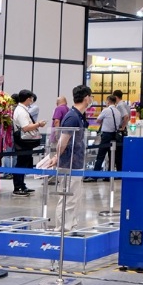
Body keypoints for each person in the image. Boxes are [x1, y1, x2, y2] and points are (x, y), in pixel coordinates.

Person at [53, 85, 91, 231]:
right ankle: (63, 229)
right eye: (90, 97)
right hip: (68, 164)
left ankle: (71, 225)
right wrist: (57, 157)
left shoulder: (78, 116)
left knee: (74, 198)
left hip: (76, 163)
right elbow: (62, 141)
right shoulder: (72, 117)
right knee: (68, 199)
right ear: (86, 98)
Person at [11, 91, 46, 196]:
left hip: (24, 141)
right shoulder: (21, 111)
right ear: (27, 99)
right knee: (21, 163)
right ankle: (18, 187)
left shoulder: (22, 109)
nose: (32, 101)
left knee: (24, 162)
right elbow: (25, 127)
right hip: (22, 141)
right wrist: (38, 124)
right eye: (31, 98)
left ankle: (21, 185)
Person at [92, 94, 124, 174]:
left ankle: (95, 175)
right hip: (115, 135)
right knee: (112, 156)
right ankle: (109, 175)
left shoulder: (106, 110)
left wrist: (104, 122)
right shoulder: (118, 112)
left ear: (108, 101)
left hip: (106, 135)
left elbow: (98, 120)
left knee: (101, 155)